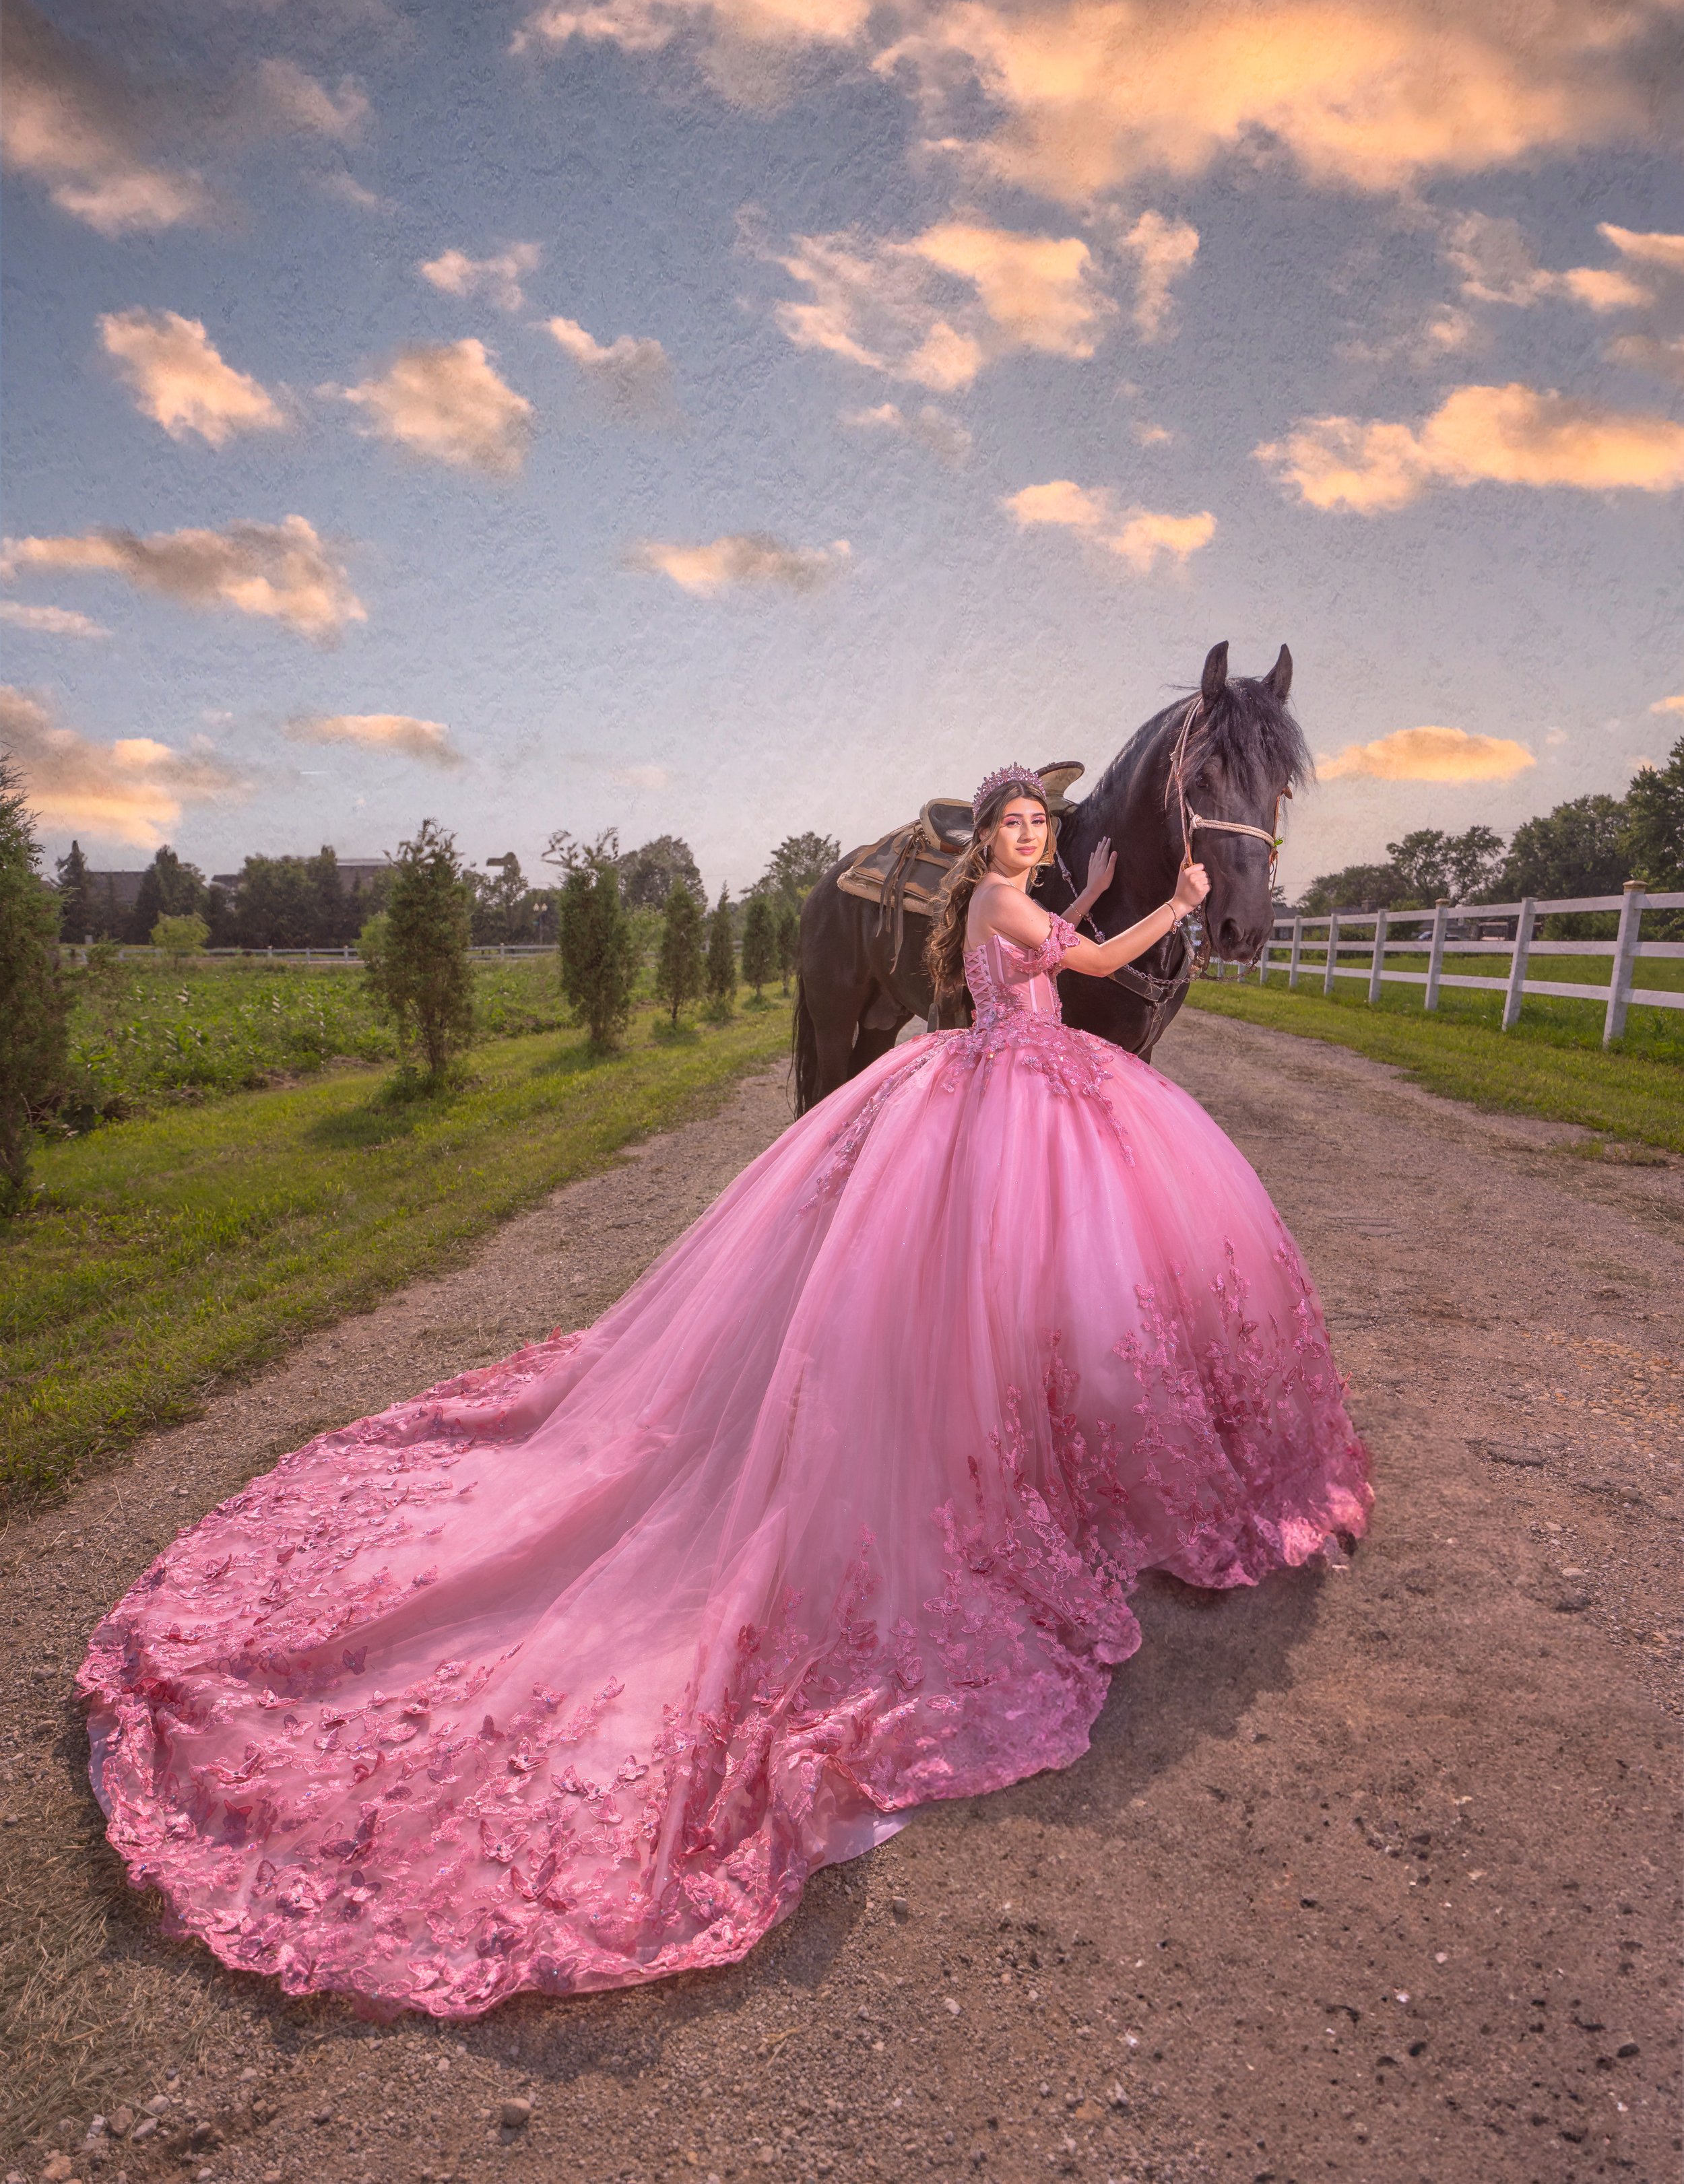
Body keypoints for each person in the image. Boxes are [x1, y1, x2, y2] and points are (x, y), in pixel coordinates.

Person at [79, 765, 1370, 2018]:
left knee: (1042, 1279)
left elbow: (1049, 952)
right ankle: (987, 1446)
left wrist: (1086, 896)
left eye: (1041, 825)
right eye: (1019, 828)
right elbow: (1078, 972)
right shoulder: (995, 901)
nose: (1032, 839)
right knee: (980, 1272)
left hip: (1021, 1081)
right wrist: (1180, 900)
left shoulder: (1011, 905)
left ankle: (1035, 1431)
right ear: (990, 848)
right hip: (1009, 1090)